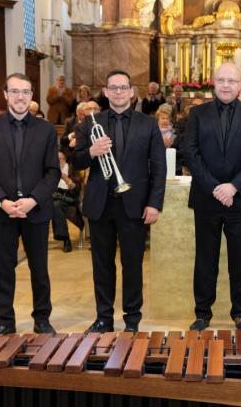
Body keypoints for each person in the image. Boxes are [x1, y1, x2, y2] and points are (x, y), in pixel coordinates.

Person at [73, 69, 167, 333]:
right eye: (112, 88)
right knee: (102, 264)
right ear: (105, 92)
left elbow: (159, 167)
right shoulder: (91, 122)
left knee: (133, 264)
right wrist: (91, 151)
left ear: (131, 91)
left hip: (134, 204)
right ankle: (103, 317)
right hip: (100, 204)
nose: (118, 92)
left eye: (123, 87)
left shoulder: (147, 124)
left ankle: (132, 318)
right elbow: (76, 160)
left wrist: (154, 203)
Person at [182, 62, 241, 331]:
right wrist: (215, 187)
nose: (226, 85)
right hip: (206, 198)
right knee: (205, 258)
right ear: (213, 82)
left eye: (231, 80)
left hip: (240, 198)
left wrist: (234, 186)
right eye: (221, 80)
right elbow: (190, 153)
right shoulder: (197, 114)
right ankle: (202, 313)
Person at [0, 73, 61, 335]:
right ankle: (5, 321)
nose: (20, 96)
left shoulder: (46, 129)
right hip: (3, 211)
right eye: (15, 91)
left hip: (35, 210)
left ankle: (42, 318)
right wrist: (2, 201)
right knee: (4, 267)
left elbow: (52, 172)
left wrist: (32, 200)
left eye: (25, 92)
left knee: (39, 268)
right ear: (5, 94)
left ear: (32, 96)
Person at [51, 149, 83, 252]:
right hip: (56, 199)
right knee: (56, 205)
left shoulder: (72, 169)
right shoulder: (51, 171)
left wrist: (66, 179)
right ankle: (66, 239)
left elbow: (77, 190)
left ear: (65, 159)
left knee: (56, 205)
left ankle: (65, 239)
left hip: (70, 199)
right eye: (57, 159)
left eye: (61, 159)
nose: (59, 161)